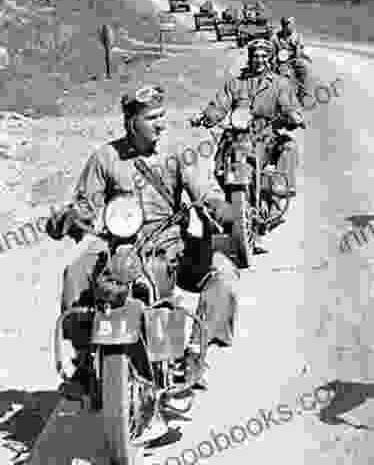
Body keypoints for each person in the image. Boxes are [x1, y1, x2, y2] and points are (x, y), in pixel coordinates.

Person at [46, 85, 240, 397]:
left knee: (225, 276)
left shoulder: (176, 156)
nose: (161, 123)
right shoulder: (105, 158)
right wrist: (69, 218)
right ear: (131, 122)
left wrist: (218, 207)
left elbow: (204, 190)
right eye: (152, 118)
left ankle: (193, 353)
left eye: (162, 115)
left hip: (171, 245)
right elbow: (85, 205)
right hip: (119, 247)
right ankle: (82, 359)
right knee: (76, 272)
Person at [194, 39, 304, 196]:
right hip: (237, 136)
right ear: (250, 58)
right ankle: (231, 196)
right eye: (255, 56)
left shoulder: (280, 84)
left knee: (289, 147)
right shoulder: (236, 83)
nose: (259, 60)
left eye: (264, 56)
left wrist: (294, 116)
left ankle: (280, 189)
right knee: (220, 167)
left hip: (266, 136)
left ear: (270, 58)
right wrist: (205, 117)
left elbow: (290, 106)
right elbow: (221, 104)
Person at [272, 15, 310, 102]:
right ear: (284, 26)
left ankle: (301, 93)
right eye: (289, 25)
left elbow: (299, 52)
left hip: (294, 59)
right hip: (282, 61)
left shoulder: (296, 36)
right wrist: (275, 61)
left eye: (292, 24)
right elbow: (273, 52)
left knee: (303, 69)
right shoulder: (276, 37)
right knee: (283, 75)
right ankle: (281, 97)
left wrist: (297, 47)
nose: (292, 27)